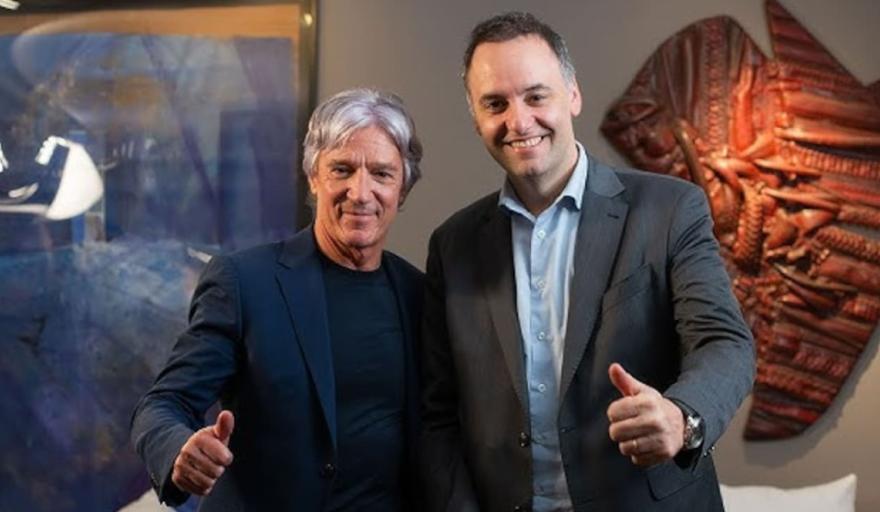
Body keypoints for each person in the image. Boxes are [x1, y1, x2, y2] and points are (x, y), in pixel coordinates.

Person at [420, 12, 755, 512]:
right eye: (495, 104)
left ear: (572, 95)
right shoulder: (453, 245)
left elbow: (724, 342)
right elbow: (438, 414)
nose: (519, 121)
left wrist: (681, 417)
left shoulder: (670, 210)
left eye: (536, 96)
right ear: (475, 118)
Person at [131, 88, 425, 511]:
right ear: (314, 177)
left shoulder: (420, 296)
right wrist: (179, 449)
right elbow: (162, 404)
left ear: (403, 189)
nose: (360, 192)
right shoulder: (245, 282)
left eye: (381, 174)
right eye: (342, 169)